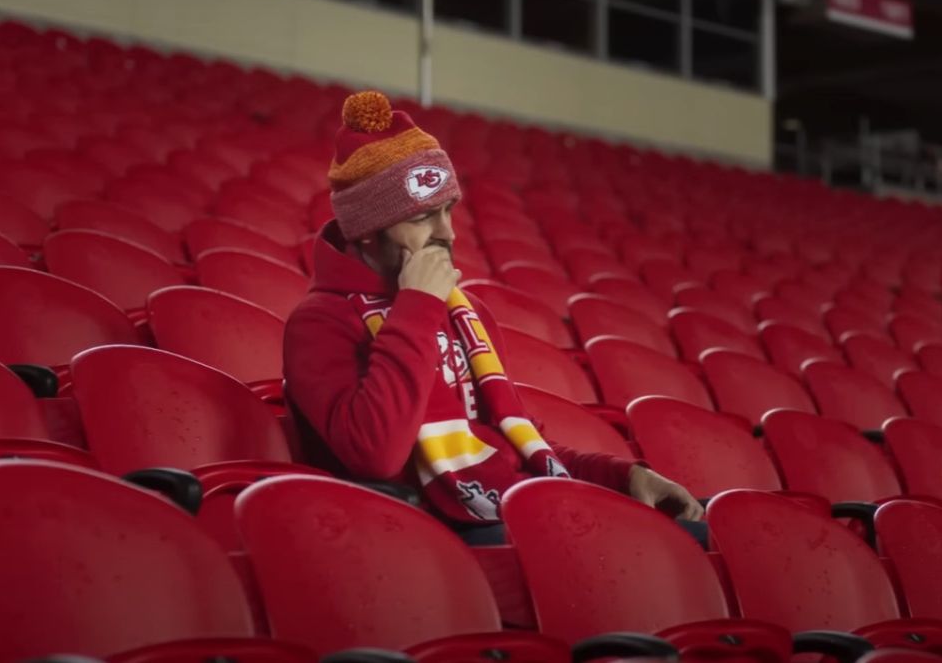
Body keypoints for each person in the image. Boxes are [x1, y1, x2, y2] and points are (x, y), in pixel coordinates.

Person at [283, 90, 705, 545]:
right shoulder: (318, 323)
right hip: (418, 536)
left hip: (507, 509)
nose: (448, 233)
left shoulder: (465, 312)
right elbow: (375, 456)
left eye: (448, 211)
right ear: (366, 232)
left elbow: (509, 449)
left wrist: (622, 477)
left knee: (701, 532)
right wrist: (417, 307)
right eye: (425, 217)